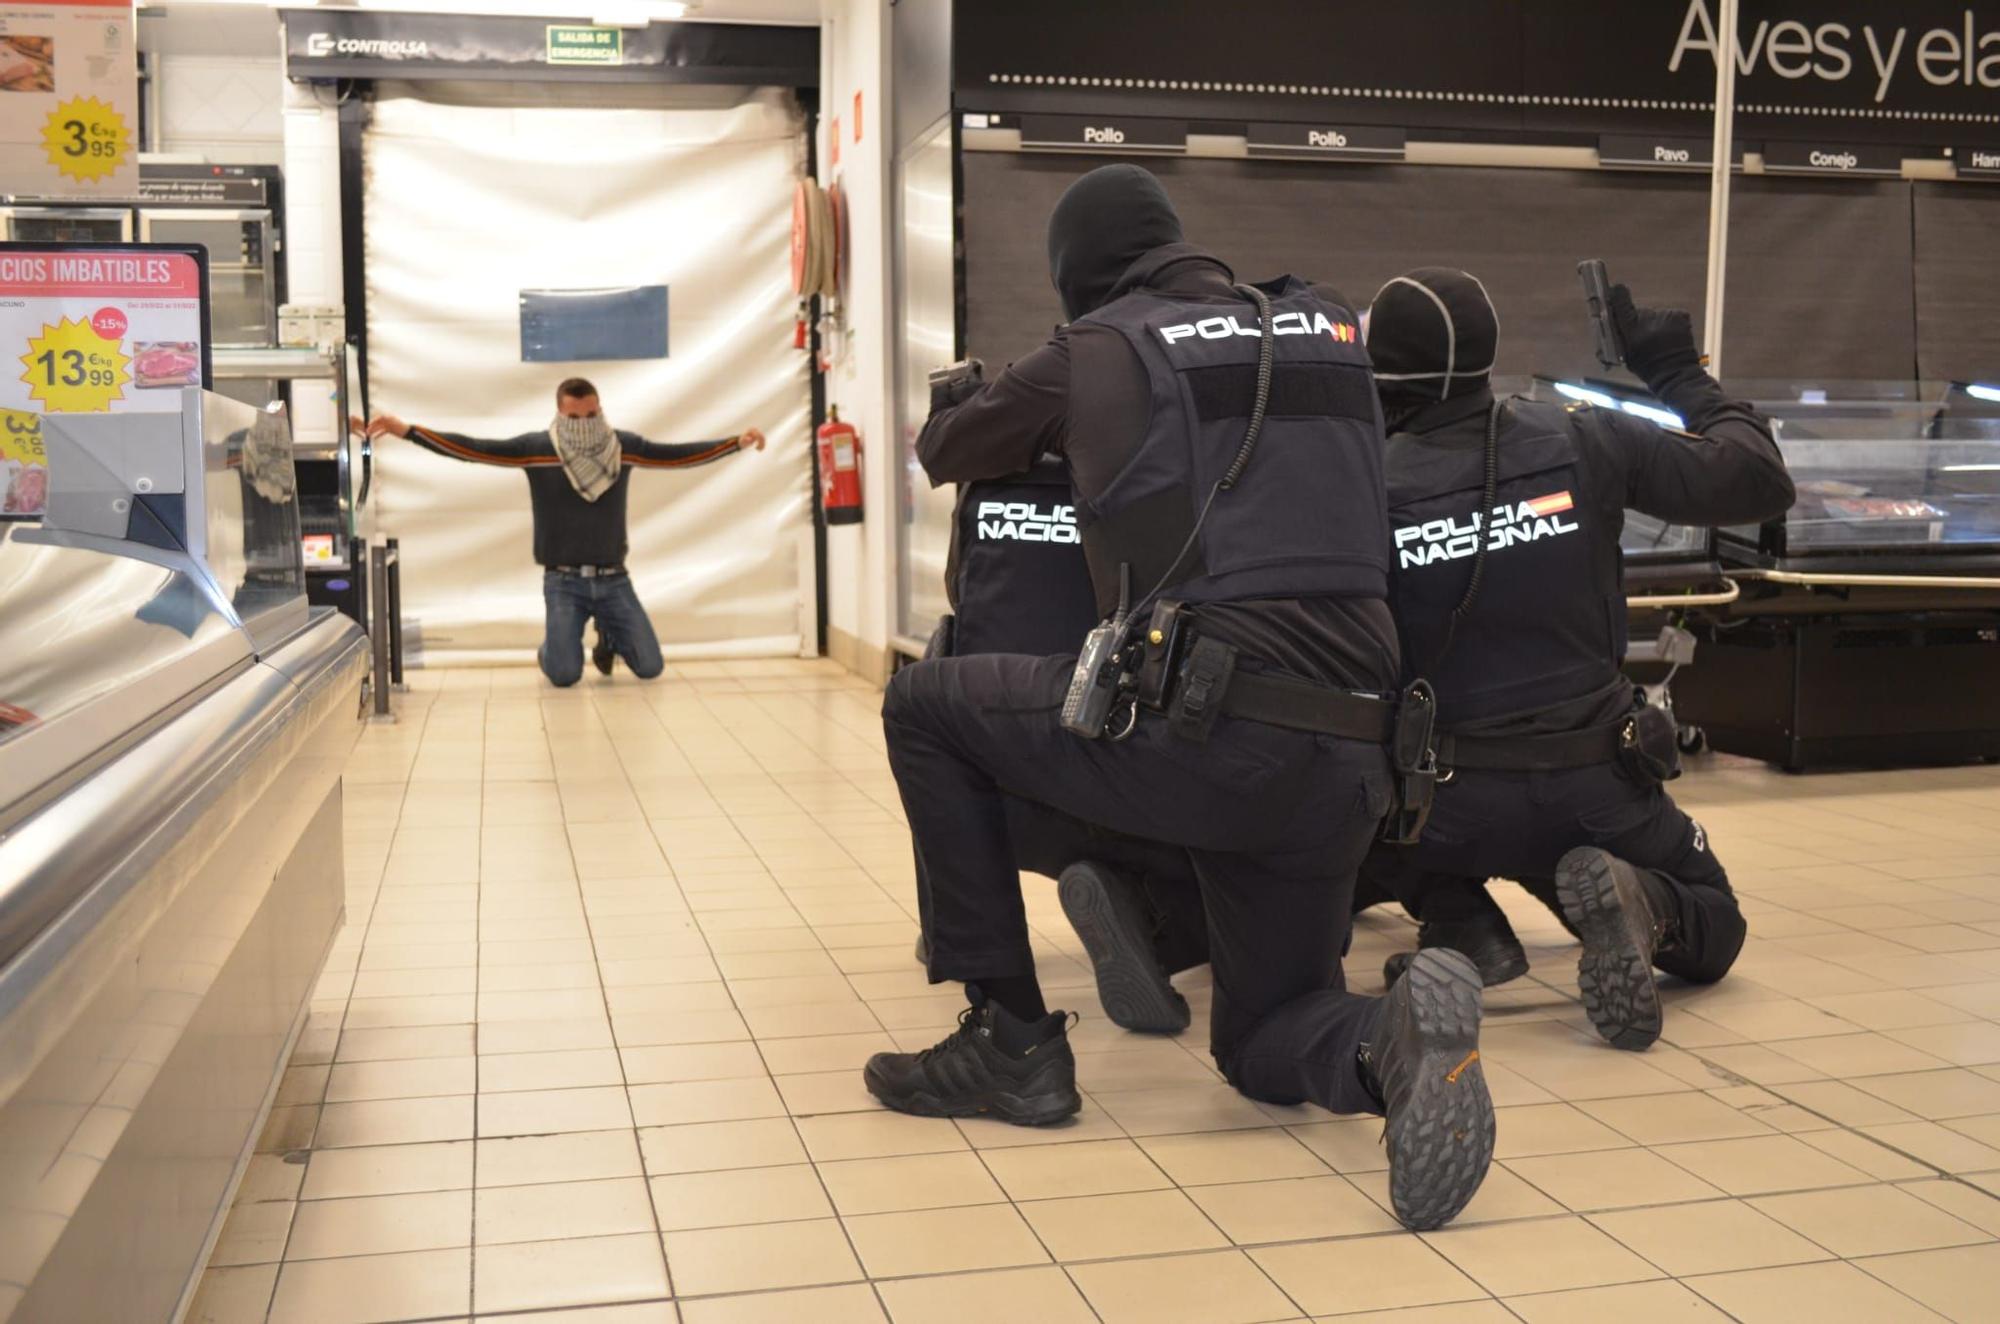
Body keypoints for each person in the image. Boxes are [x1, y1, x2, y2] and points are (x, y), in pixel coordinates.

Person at [864, 164, 1496, 1233]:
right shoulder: (1328, 325)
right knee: (1265, 1034)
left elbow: (946, 451)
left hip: (1203, 737)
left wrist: (995, 402)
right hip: (1354, 755)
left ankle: (1009, 1042)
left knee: (924, 703)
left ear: (1079, 272)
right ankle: (1381, 1046)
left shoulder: (1100, 345)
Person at [1354, 267, 1795, 1049]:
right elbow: (1758, 480)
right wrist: (1674, 369)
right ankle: (1645, 905)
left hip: (1440, 806)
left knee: (1344, 806)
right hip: (1595, 784)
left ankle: (1459, 922)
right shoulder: (1583, 436)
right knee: (1714, 919)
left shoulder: (1357, 491)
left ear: (1378, 375)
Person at [918, 455, 1210, 1034]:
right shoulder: (1162, 475)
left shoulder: (990, 482)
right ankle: (1151, 918)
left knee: (927, 701)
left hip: (1002, 787)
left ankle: (950, 933)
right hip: (1135, 779)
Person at [366, 378, 764, 687]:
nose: (584, 425)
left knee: (650, 667)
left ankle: (608, 638)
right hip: (563, 582)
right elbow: (472, 449)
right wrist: (408, 431)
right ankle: (557, 647)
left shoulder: (622, 447)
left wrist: (736, 444)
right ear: (559, 414)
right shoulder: (537, 448)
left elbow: (677, 456)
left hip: (614, 580)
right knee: (564, 675)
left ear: (599, 409)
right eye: (574, 418)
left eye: (591, 415)